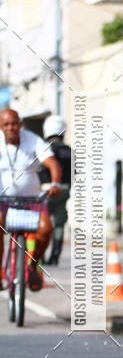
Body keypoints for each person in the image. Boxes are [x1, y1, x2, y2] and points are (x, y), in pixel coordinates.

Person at [0, 108, 61, 291]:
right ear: (0, 126)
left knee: (46, 229)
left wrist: (55, 183)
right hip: (4, 201)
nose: (11, 128)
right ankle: (0, 271)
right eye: (6, 124)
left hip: (32, 201)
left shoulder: (33, 140)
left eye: (14, 123)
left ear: (20, 124)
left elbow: (52, 163)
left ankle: (33, 266)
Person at [38, 115, 71, 265]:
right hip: (64, 191)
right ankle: (54, 257)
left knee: (42, 222)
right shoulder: (69, 151)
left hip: (46, 190)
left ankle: (40, 256)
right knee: (59, 223)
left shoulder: (45, 149)